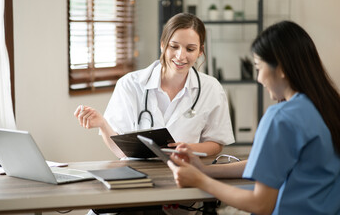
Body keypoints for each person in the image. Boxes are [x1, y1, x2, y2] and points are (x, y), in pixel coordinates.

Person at [167, 21, 340, 215]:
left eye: (259, 67)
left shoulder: (281, 117)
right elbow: (266, 164)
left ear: (281, 68)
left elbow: (261, 205)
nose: (258, 78)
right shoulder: (329, 106)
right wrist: (205, 171)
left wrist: (200, 181)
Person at [74, 13, 235, 159]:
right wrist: (102, 124)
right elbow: (121, 152)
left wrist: (189, 149)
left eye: (190, 49)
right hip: (139, 177)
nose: (181, 56)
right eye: (174, 46)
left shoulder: (211, 88)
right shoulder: (129, 85)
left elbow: (216, 143)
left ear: (200, 51)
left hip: (186, 173)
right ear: (163, 45)